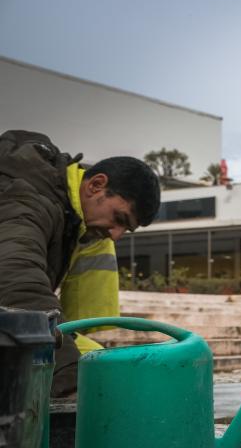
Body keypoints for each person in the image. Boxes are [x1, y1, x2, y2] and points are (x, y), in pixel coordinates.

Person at [0, 130, 161, 397]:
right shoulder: (26, 198)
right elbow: (15, 281)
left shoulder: (75, 217)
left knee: (102, 365)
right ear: (95, 185)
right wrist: (68, 376)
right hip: (12, 310)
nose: (116, 234)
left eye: (126, 229)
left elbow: (68, 329)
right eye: (119, 218)